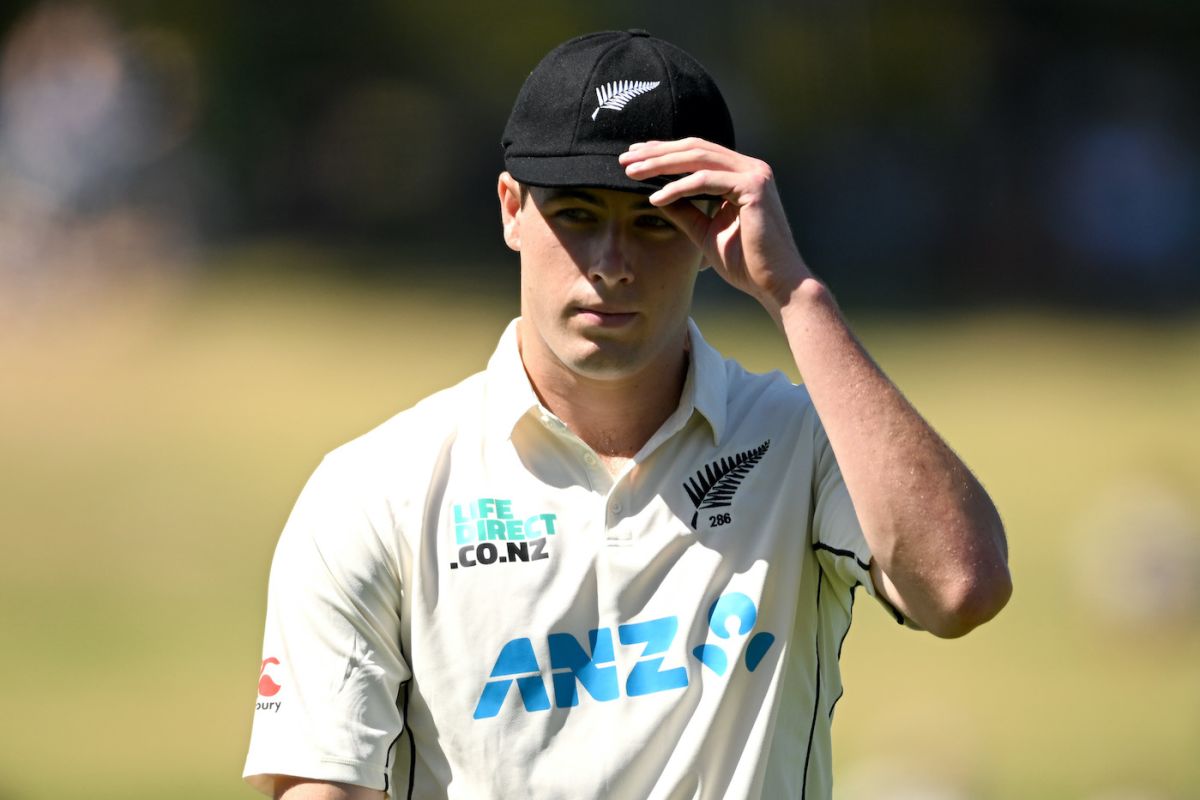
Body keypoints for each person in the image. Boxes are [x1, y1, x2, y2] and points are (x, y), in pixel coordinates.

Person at [243, 29, 1011, 800]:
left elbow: (959, 586)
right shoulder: (376, 489)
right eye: (577, 214)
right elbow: (320, 785)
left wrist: (795, 295)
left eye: (655, 221)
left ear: (714, 230)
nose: (612, 260)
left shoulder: (800, 443)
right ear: (512, 209)